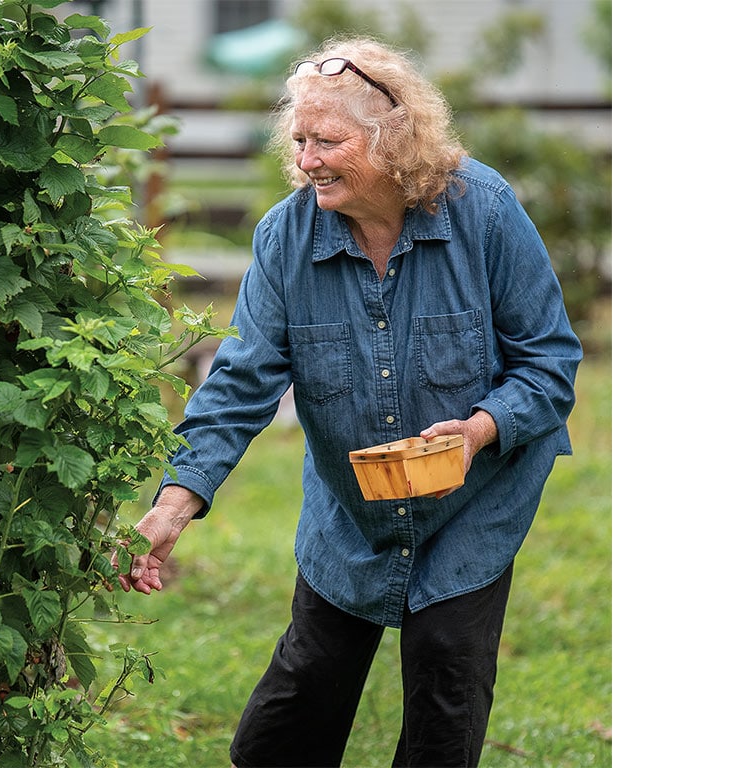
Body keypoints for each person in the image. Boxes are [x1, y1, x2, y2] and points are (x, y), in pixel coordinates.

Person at [117, 35, 583, 768]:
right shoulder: (285, 237)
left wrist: (479, 431)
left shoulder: (483, 211)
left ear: (395, 137)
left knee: (445, 684)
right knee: (297, 705)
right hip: (352, 511)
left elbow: (551, 364)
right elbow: (241, 382)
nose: (305, 160)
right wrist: (172, 507)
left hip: (474, 503)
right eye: (298, 139)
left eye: (327, 140)